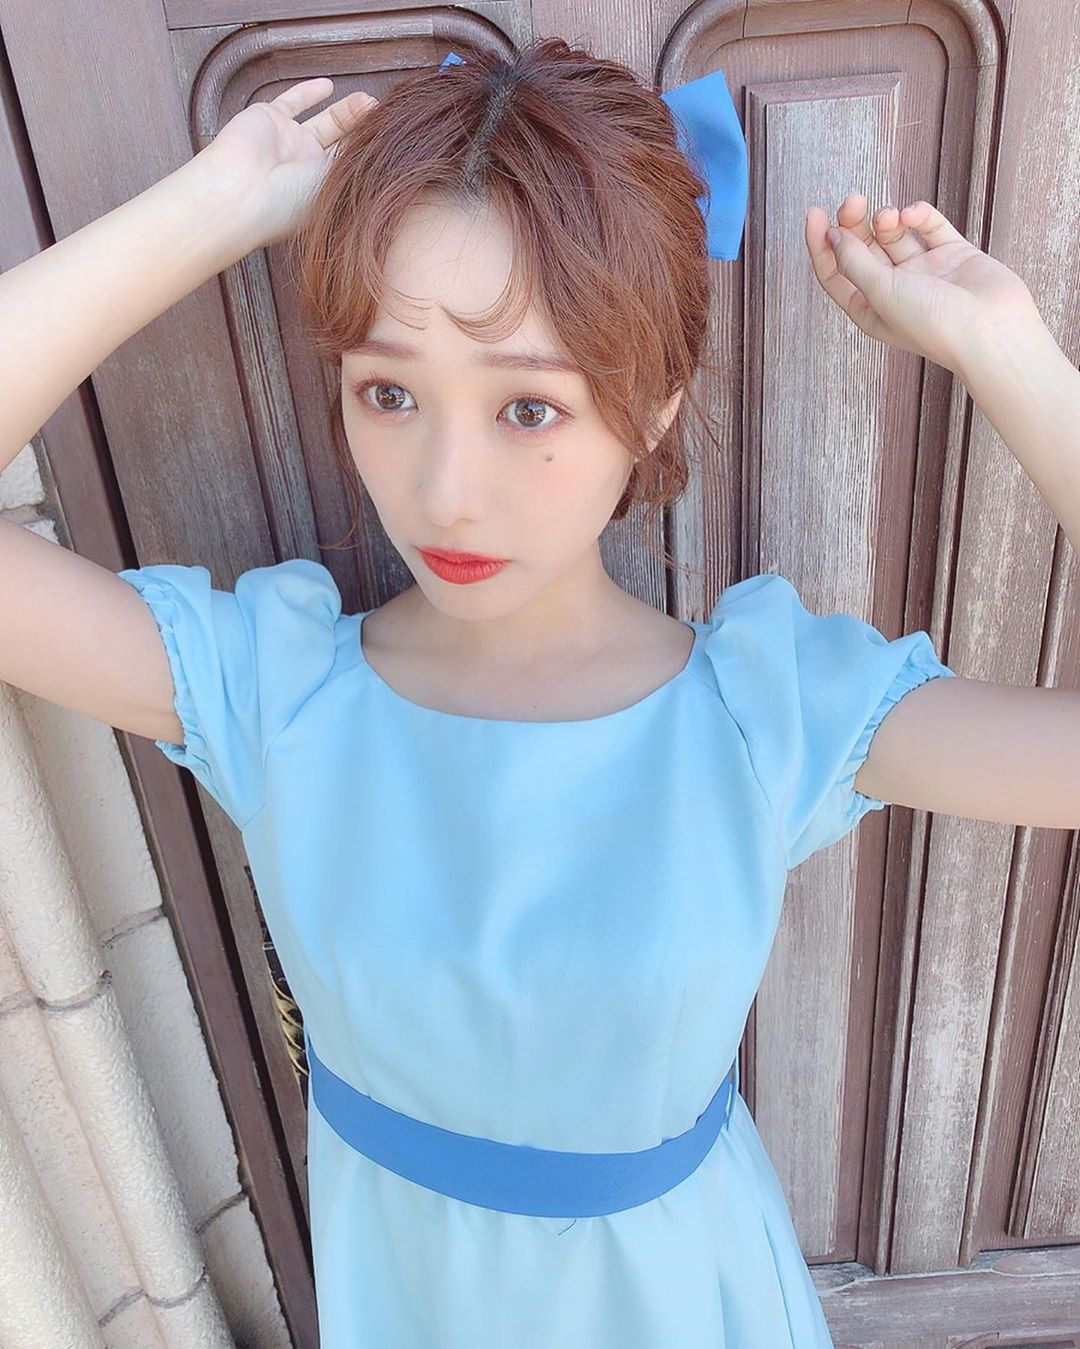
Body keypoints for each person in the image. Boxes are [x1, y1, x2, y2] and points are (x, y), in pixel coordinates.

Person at [2, 33, 1070, 1349]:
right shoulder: (272, 694)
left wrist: (1010, 354)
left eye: (527, 409)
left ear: (656, 402)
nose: (445, 491)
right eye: (388, 391)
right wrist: (211, 210)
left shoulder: (762, 716)